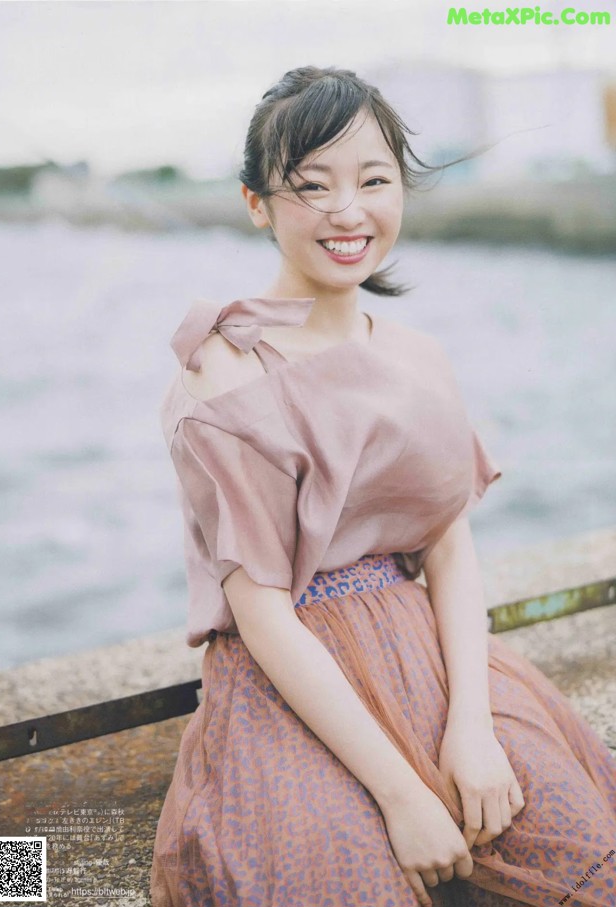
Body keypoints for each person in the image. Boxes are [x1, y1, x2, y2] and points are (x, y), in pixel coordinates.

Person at [150, 66, 616, 907]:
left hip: (431, 656)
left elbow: (448, 540)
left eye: (374, 179)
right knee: (345, 874)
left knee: (579, 841)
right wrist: (401, 791)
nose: (348, 210)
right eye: (311, 185)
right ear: (257, 202)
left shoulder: (416, 357)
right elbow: (259, 610)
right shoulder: (223, 374)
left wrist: (470, 726)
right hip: (289, 677)